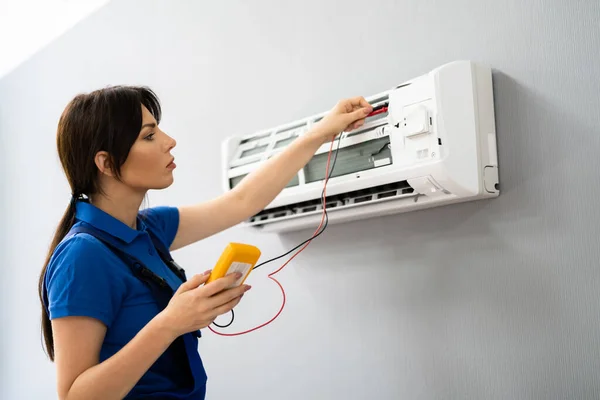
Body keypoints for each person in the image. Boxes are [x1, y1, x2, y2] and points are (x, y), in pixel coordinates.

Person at [37, 85, 372, 400]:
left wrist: (320, 132)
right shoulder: (82, 256)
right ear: (106, 163)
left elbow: (242, 201)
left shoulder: (150, 228)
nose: (170, 142)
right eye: (149, 135)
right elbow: (74, 394)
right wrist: (170, 323)